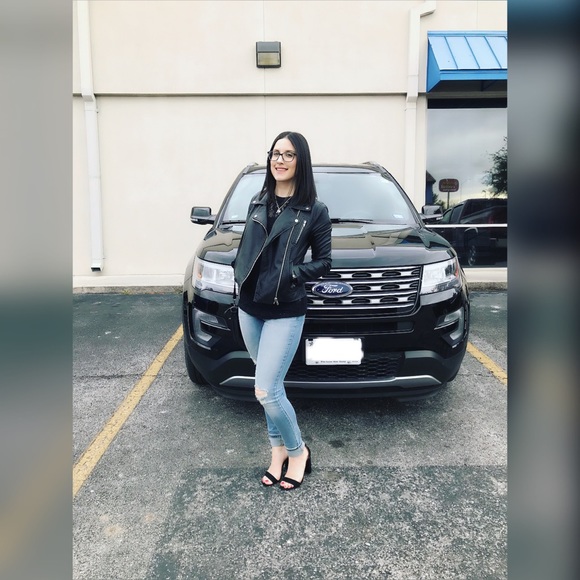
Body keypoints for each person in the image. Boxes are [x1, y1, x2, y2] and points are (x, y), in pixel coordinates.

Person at [233, 131, 332, 490]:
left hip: (285, 309)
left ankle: (298, 451)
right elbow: (248, 248)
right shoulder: (258, 201)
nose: (280, 160)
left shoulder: (314, 210)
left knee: (266, 391)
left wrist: (291, 273)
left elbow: (324, 262)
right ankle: (277, 453)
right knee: (269, 386)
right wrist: (239, 274)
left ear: (300, 161)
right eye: (276, 153)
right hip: (250, 307)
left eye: (289, 154)